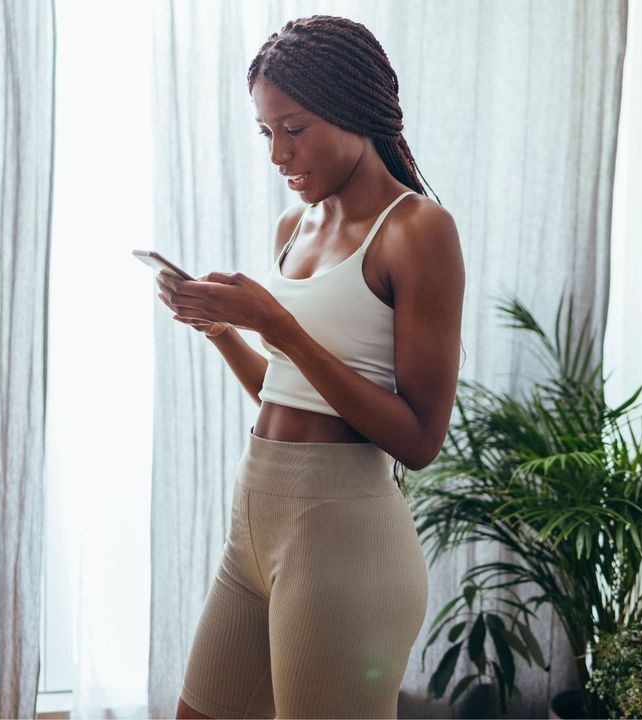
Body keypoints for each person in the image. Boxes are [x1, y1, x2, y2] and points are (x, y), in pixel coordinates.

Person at [155, 14, 464, 719]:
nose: (278, 155)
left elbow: (419, 441)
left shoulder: (417, 231)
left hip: (344, 546)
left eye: (293, 129)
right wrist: (223, 331)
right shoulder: (294, 228)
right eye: (267, 133)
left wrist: (276, 324)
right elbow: (286, 391)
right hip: (256, 522)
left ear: (353, 110)